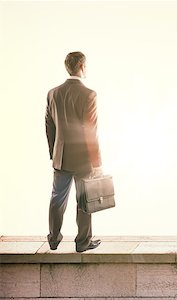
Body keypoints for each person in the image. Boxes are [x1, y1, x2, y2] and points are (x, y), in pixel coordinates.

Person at [45, 51, 102, 252]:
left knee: (57, 198)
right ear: (82, 66)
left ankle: (53, 238)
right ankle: (83, 242)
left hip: (61, 157)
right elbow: (90, 131)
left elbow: (49, 127)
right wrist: (97, 163)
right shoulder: (89, 95)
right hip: (83, 159)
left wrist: (55, 153)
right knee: (84, 201)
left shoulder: (53, 93)